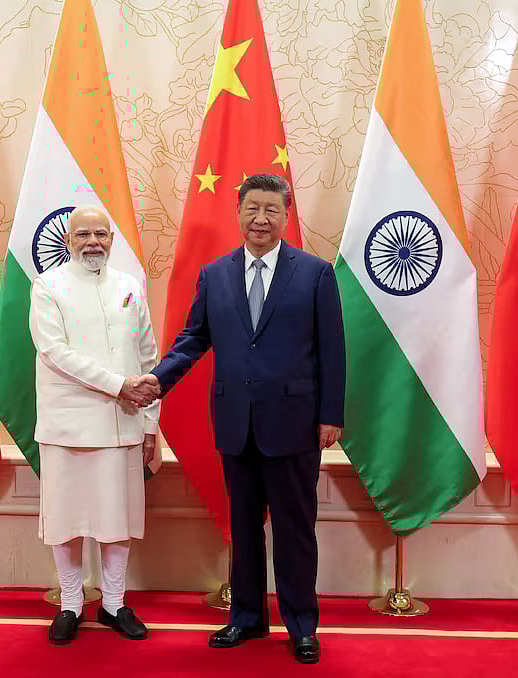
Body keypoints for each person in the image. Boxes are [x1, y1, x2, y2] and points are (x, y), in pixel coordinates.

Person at [148, 174, 345, 664]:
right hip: (236, 422)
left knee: (296, 529)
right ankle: (246, 618)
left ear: (285, 216)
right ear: (238, 214)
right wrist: (157, 379)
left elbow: (333, 352)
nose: (261, 219)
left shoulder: (316, 273)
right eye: (252, 209)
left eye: (271, 211)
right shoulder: (214, 275)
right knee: (243, 526)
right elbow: (194, 339)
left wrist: (331, 416)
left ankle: (302, 625)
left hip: (296, 423)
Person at [29, 205, 160, 645]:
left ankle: (113, 603)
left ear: (111, 239)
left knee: (116, 520)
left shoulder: (129, 285)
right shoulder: (48, 285)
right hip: (66, 425)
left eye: (101, 234)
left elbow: (148, 358)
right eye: (83, 234)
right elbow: (54, 352)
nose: (93, 242)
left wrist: (151, 423)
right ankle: (69, 604)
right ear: (68, 239)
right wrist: (119, 385)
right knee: (66, 521)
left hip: (122, 425)